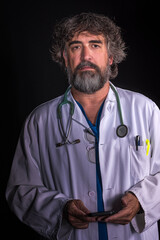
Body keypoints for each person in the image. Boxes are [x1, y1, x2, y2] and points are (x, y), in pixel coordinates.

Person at [6, 12, 160, 240]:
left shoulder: (145, 110)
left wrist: (141, 200)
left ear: (110, 57)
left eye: (95, 45)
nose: (86, 56)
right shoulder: (40, 120)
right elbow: (21, 190)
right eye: (75, 47)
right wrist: (60, 208)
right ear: (65, 58)